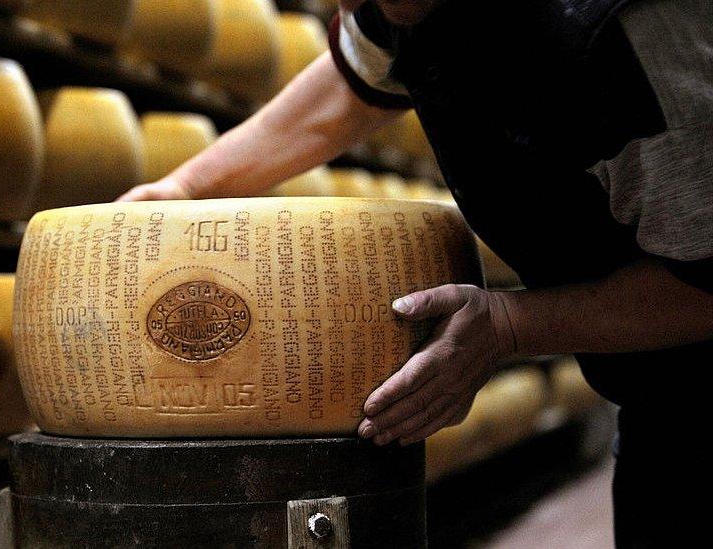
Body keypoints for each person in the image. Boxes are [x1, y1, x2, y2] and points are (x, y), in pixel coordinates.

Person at [118, 0, 712, 545]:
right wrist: (186, 186)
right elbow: (353, 80)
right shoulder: (398, 6)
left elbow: (706, 284)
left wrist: (510, 326)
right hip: (663, 400)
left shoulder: (627, 36)